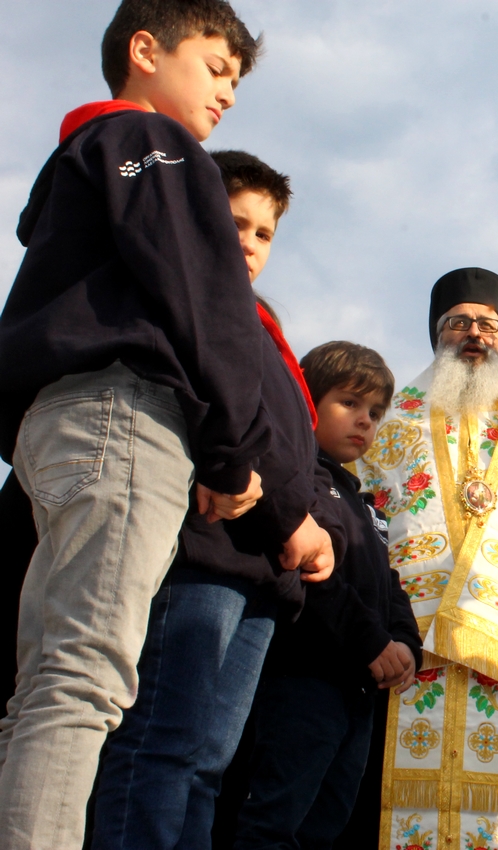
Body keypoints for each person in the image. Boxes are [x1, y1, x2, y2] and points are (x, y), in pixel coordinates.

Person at [0, 4, 272, 846]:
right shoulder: (149, 142)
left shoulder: (82, 158)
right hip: (123, 417)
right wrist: (231, 450)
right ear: (146, 50)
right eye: (216, 66)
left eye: (236, 81)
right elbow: (202, 296)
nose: (227, 92)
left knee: (49, 682)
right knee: (84, 678)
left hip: (57, 426)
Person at [90, 149, 340, 850]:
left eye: (264, 233)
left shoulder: (260, 324)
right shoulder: (190, 298)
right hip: (204, 551)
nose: (249, 244)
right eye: (234, 223)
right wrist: (288, 516)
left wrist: (308, 524)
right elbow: (219, 413)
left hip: (262, 570)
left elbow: (287, 441)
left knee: (207, 765)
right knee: (161, 743)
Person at [355, 267, 498, 850]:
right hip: (407, 634)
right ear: (438, 335)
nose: (474, 334)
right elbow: (361, 512)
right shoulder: (395, 420)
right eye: (458, 322)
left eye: (489, 324)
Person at [234, 341, 422, 848]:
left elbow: (389, 584)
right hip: (304, 675)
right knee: (274, 821)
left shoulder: (367, 506)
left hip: (357, 691)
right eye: (349, 403)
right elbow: (313, 576)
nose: (365, 421)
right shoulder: (300, 482)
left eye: (375, 412)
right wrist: (371, 642)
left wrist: (405, 643)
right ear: (308, 400)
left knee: (325, 826)